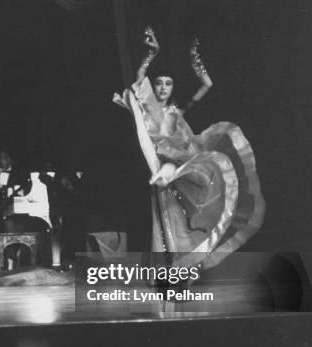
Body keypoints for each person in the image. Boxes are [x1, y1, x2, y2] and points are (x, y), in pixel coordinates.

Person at [113, 27, 265, 269]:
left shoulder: (177, 111)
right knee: (166, 221)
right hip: (160, 167)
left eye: (168, 83)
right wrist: (151, 54)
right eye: (159, 83)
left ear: (173, 87)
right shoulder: (149, 110)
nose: (163, 88)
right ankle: (170, 272)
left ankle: (181, 270)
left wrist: (195, 59)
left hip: (183, 167)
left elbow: (207, 84)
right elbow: (138, 82)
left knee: (183, 218)